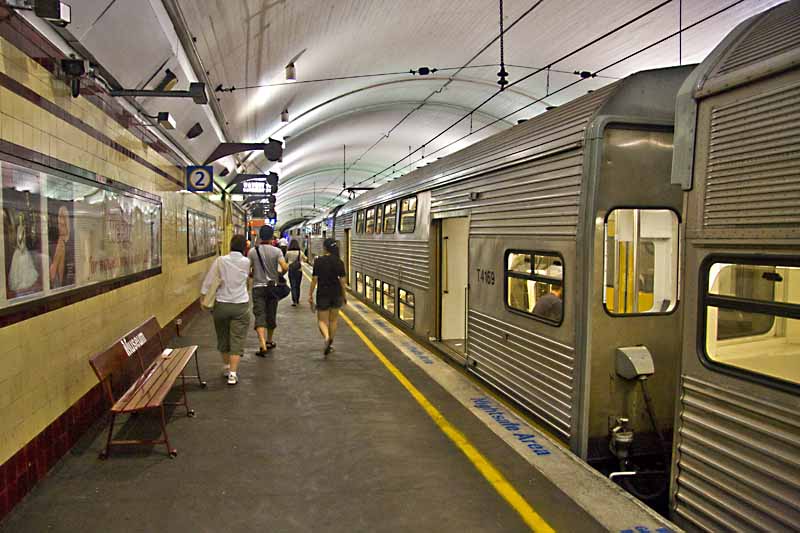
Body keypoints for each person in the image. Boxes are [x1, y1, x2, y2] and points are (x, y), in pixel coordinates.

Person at [201, 235, 250, 385]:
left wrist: (203, 298)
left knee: (223, 338)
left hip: (221, 305)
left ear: (230, 245)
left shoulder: (220, 261)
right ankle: (233, 374)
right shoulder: (246, 262)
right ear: (244, 248)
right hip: (241, 304)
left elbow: (209, 281)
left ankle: (227, 367)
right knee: (237, 340)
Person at [249, 225, 289, 356]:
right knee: (271, 313)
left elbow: (248, 269)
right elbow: (284, 267)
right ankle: (269, 341)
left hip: (258, 288)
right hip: (272, 287)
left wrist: (253, 274)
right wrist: (279, 274)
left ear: (260, 237)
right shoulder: (277, 251)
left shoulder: (252, 252)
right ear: (272, 237)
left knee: (260, 315)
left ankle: (262, 344)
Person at [308, 238, 347, 356]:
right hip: (336, 293)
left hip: (323, 293)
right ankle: (330, 344)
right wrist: (344, 295)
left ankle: (326, 337)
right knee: (333, 320)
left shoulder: (319, 261)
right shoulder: (339, 262)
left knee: (321, 320)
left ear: (325, 248)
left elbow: (314, 279)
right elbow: (342, 281)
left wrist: (310, 294)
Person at [285, 238, 306, 306]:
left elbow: (285, 260)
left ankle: (294, 301)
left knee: (293, 286)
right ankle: (297, 299)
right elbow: (305, 259)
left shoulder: (288, 252)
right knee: (298, 286)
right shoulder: (300, 252)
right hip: (299, 270)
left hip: (291, 270)